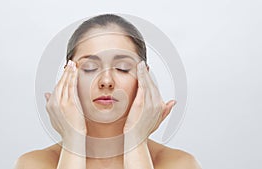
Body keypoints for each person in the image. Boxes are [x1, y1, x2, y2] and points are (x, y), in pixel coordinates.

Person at [14, 14, 201, 169]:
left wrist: (135, 141)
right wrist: (73, 139)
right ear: (68, 77)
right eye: (89, 68)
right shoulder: (34, 164)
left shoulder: (179, 164)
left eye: (122, 68)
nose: (106, 81)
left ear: (145, 79)